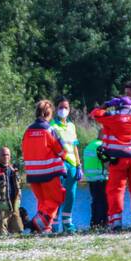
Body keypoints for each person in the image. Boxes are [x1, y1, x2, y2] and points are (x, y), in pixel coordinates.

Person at [90, 96, 131, 229]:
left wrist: (106, 104)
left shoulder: (111, 116)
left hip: (117, 159)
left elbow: (94, 113)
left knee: (116, 189)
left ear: (118, 105)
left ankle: (116, 221)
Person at [21, 100, 67, 233]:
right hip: (49, 173)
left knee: (43, 202)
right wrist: (64, 157)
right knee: (55, 199)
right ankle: (34, 224)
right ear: (48, 113)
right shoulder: (49, 129)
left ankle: (44, 229)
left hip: (33, 174)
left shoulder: (27, 131)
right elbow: (61, 150)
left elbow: (23, 149)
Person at [50, 97, 82, 233]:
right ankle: (54, 225)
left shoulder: (71, 126)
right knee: (58, 196)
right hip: (60, 163)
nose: (63, 110)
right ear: (56, 109)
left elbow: (74, 146)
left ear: (69, 110)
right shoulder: (52, 126)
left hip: (72, 165)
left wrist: (79, 165)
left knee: (71, 195)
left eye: (66, 107)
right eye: (61, 107)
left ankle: (68, 225)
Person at [81, 131, 108, 229]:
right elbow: (107, 163)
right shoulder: (101, 146)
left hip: (91, 179)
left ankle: (94, 223)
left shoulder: (89, 146)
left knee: (95, 201)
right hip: (101, 178)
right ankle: (102, 223)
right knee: (103, 202)